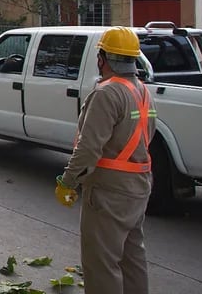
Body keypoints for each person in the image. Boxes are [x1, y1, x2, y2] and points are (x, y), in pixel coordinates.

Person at [56, 26, 157, 294]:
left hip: (109, 192)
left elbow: (88, 149)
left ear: (103, 58)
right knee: (132, 257)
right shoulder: (141, 90)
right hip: (138, 186)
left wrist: (67, 181)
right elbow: (149, 134)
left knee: (101, 263)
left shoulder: (106, 93)